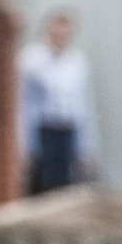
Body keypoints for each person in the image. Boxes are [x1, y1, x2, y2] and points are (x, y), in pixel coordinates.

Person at [19, 13, 97, 196]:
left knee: (66, 189)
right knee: (41, 187)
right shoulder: (31, 59)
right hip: (44, 132)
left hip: (68, 133)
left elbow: (84, 106)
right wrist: (24, 145)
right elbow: (23, 105)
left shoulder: (77, 61)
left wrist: (86, 147)